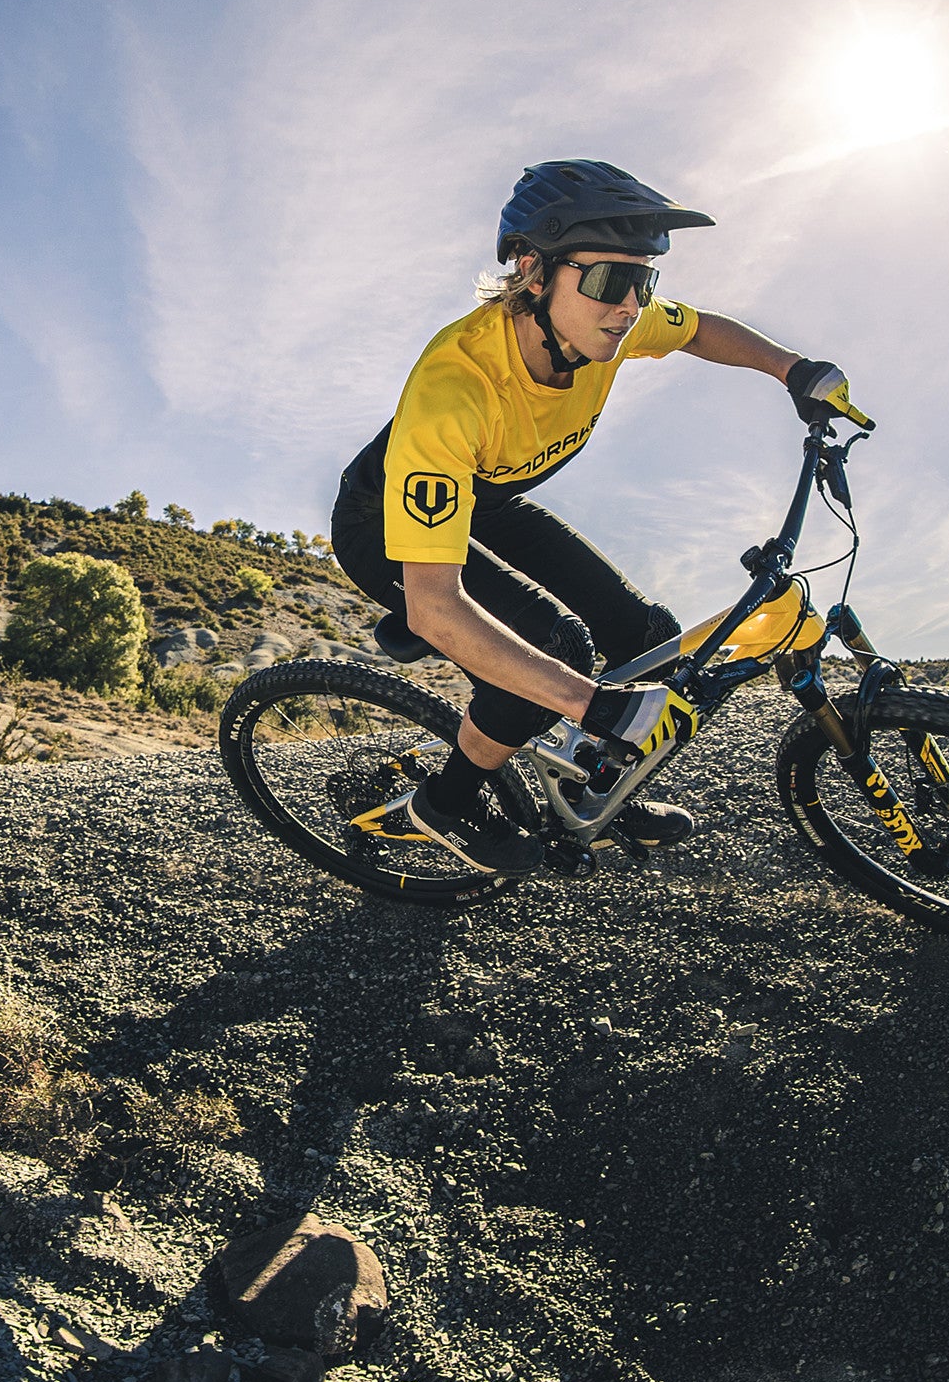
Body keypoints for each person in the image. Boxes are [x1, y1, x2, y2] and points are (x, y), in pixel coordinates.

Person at [330, 159, 862, 875]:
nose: (631, 306)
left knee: (648, 637)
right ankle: (445, 805)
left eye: (646, 281)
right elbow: (434, 607)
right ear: (532, 270)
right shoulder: (455, 386)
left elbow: (698, 330)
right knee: (554, 652)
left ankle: (593, 782)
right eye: (613, 281)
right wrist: (594, 706)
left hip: (488, 498)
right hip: (380, 521)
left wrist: (793, 370)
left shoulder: (604, 325)